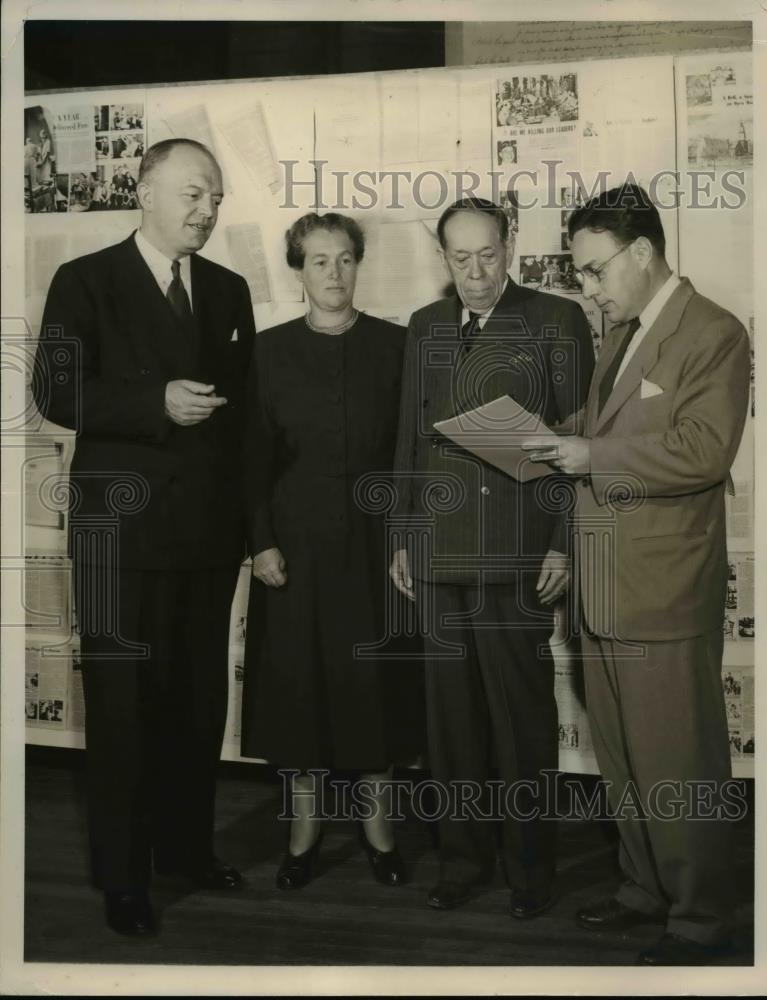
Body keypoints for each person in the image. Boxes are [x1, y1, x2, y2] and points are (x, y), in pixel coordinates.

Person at [33, 138, 256, 938]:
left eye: (218, 198)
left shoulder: (229, 291)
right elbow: (55, 389)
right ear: (146, 190)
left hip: (204, 537)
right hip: (116, 538)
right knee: (124, 711)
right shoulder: (84, 279)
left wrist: (252, 530)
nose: (208, 210)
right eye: (195, 193)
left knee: (197, 706)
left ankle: (187, 852)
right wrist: (151, 400)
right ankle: (124, 879)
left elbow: (246, 424)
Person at [523, 184, 750, 965]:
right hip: (603, 584)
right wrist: (537, 436)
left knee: (678, 761)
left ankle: (701, 918)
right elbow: (599, 428)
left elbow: (703, 450)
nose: (587, 287)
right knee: (622, 757)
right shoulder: (620, 335)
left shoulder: (714, 332)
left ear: (643, 253)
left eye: (593, 270)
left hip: (660, 591)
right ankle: (644, 890)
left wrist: (594, 455)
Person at [390, 197, 594, 920]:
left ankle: (530, 872)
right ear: (441, 255)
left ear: (511, 244)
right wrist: (403, 539)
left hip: (517, 556)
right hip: (440, 555)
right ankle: (462, 861)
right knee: (451, 727)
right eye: (459, 258)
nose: (476, 274)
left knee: (521, 723)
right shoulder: (423, 328)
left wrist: (565, 544)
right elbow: (410, 443)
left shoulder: (555, 320)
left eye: (488, 254)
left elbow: (578, 441)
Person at [240, 212, 422, 892]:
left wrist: (407, 537)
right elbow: (251, 459)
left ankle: (380, 832)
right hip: (294, 548)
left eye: (345, 259)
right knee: (299, 691)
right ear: (298, 270)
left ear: (358, 264)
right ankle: (303, 833)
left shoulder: (396, 346)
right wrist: (259, 542)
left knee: (372, 689)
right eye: (319, 262)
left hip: (377, 549)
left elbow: (413, 455)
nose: (334, 274)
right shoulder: (266, 352)